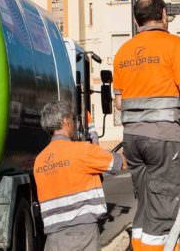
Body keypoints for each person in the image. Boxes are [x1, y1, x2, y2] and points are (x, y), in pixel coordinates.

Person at [113, 0, 180, 250]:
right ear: (164, 15)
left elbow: (120, 103)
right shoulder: (174, 45)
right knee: (164, 211)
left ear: (137, 22)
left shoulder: (122, 52)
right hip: (163, 140)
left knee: (145, 207)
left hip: (133, 141)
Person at [33, 101, 124, 251]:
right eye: (73, 119)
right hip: (82, 234)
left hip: (53, 238)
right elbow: (119, 163)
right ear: (66, 121)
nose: (75, 124)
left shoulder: (39, 161)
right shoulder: (82, 150)